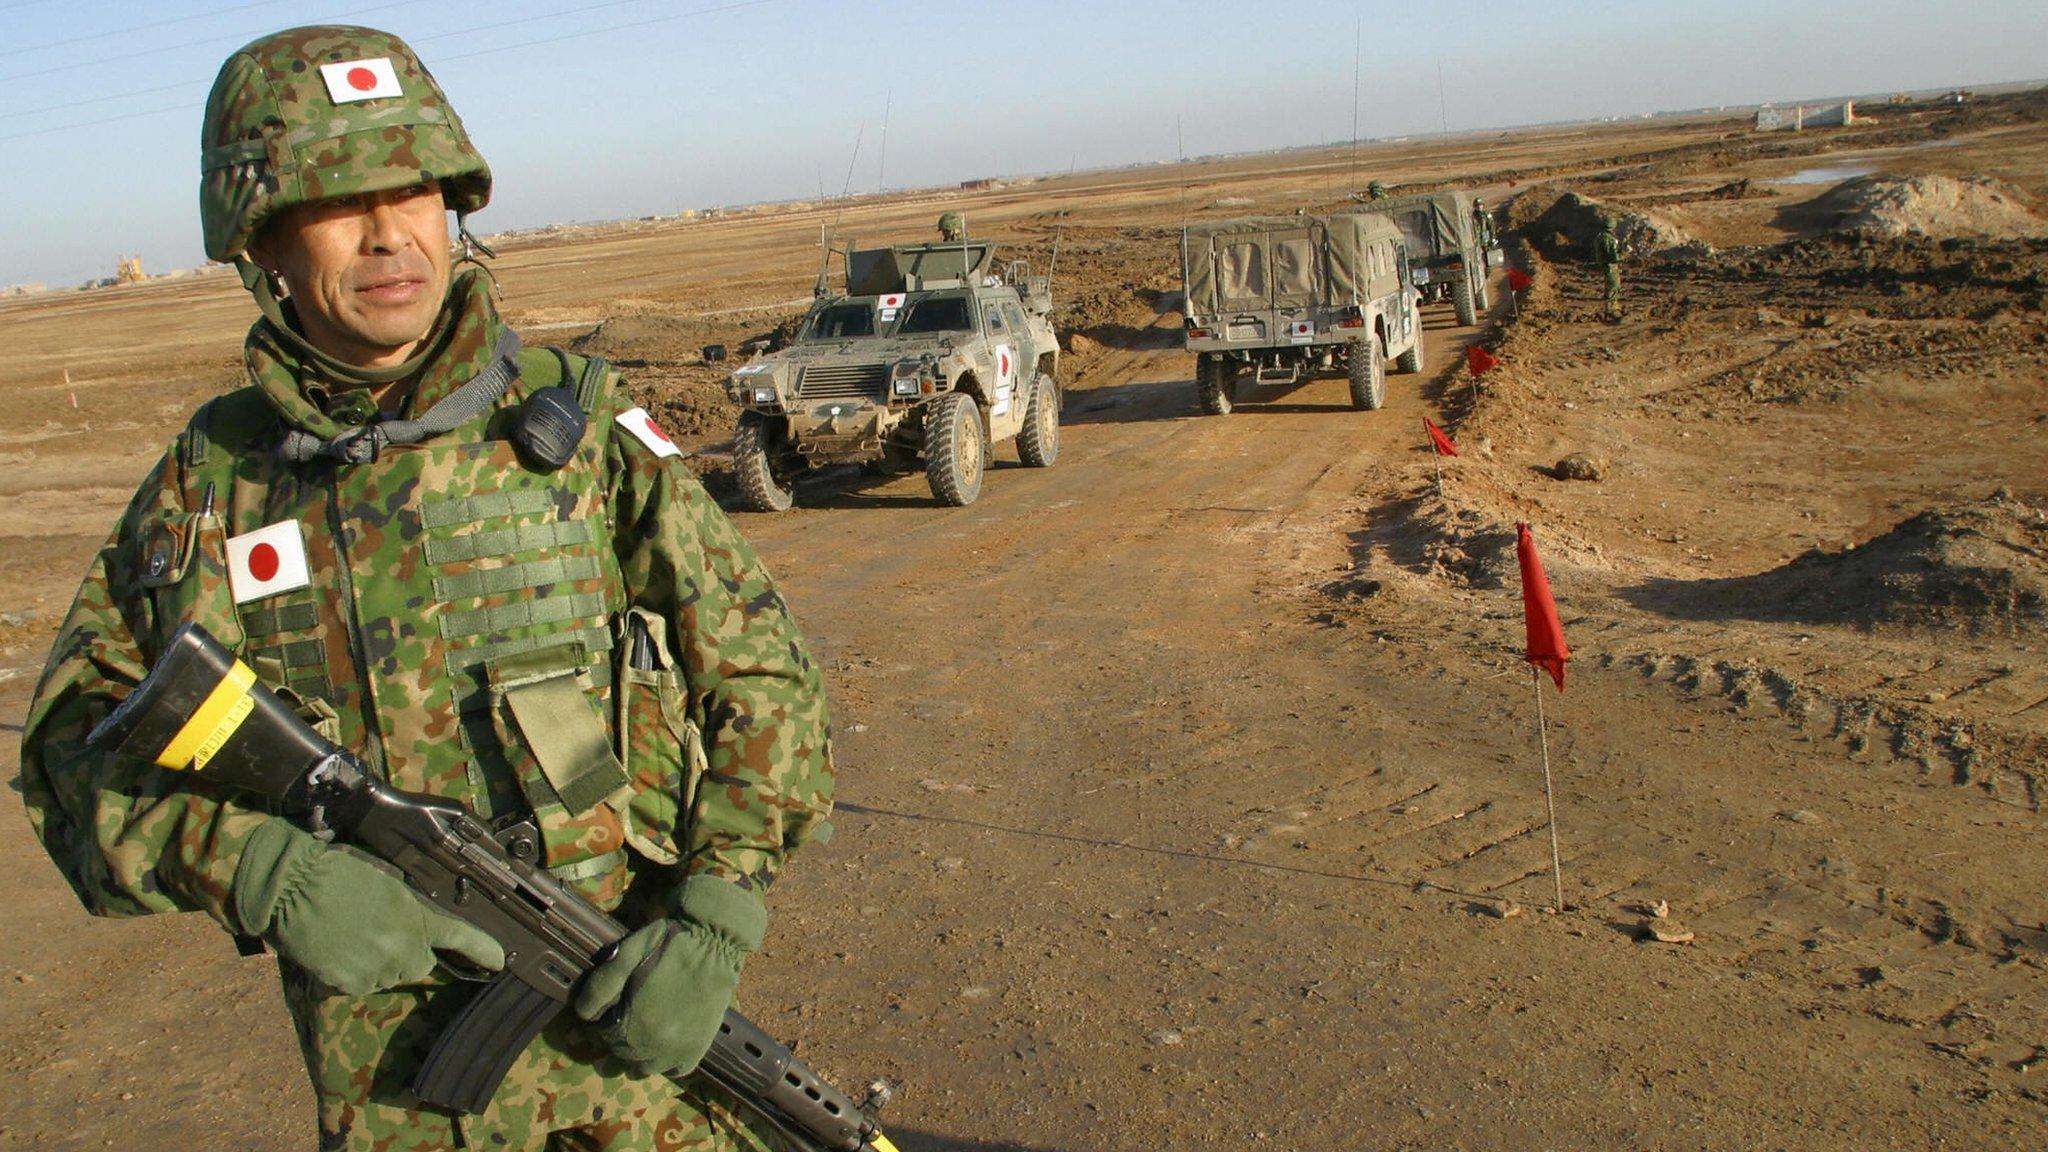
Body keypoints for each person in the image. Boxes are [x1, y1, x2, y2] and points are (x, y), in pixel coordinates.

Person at [19, 25, 834, 1152]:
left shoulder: (580, 433)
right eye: (337, 198)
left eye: (415, 191)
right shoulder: (214, 486)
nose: (388, 232)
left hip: (644, 1065)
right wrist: (256, 866)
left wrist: (718, 906)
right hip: (398, 1098)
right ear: (259, 238)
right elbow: (70, 753)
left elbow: (763, 678)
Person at [1594, 219, 1623, 317]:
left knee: (1610, 285)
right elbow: (1614, 256)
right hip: (1610, 265)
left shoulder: (1600, 236)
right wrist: (1624, 254)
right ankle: (1611, 308)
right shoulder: (1610, 239)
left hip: (1604, 264)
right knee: (1613, 285)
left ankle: (1611, 306)